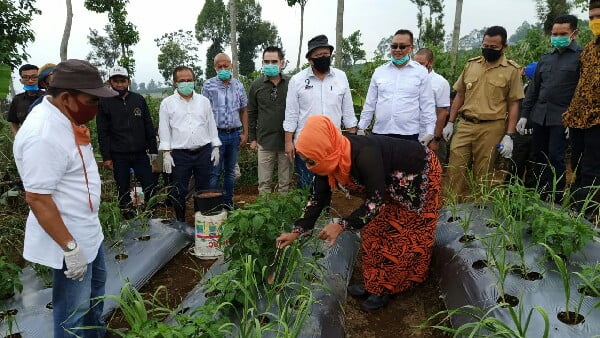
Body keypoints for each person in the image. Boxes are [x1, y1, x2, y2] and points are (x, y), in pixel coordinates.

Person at [276, 116, 442, 311]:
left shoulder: (364, 155)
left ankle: (388, 288)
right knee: (372, 231)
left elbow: (375, 202)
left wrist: (341, 225)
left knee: (402, 235)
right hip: (385, 184)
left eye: (310, 161)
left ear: (323, 149)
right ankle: (374, 284)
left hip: (418, 176)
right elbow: (318, 198)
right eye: (305, 161)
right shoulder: (326, 159)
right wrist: (297, 230)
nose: (308, 166)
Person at [13, 59, 117, 337]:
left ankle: (96, 334)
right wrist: (70, 249)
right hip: (69, 237)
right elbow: (37, 198)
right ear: (67, 98)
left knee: (95, 295)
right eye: (91, 100)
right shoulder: (42, 133)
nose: (96, 107)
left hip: (87, 228)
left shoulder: (66, 119)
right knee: (73, 310)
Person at [443, 26, 524, 201]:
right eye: (485, 45)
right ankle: (452, 209)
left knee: (485, 172)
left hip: (492, 128)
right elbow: (460, 95)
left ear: (504, 46)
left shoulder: (512, 71)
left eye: (493, 47)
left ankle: (480, 214)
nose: (488, 49)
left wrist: (509, 135)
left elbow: (514, 103)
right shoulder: (472, 65)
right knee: (455, 168)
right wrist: (450, 122)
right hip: (465, 125)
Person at [518, 15, 582, 201]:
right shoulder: (546, 59)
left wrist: (573, 118)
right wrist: (524, 115)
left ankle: (556, 197)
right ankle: (538, 195)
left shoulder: (581, 57)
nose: (557, 37)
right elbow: (533, 90)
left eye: (563, 33)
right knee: (537, 156)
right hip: (539, 117)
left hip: (561, 118)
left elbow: (581, 91)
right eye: (554, 34)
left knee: (556, 157)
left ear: (574, 33)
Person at [284, 35, 357, 189]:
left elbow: (348, 110)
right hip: (306, 145)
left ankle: (325, 213)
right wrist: (288, 142)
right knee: (306, 186)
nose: (323, 58)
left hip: (332, 144)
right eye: (318, 56)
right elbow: (291, 114)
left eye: (326, 55)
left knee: (329, 185)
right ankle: (306, 212)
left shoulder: (341, 77)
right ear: (310, 59)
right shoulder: (297, 80)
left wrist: (352, 137)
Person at [160, 66, 221, 222]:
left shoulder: (203, 101)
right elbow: (164, 128)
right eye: (182, 81)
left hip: (203, 151)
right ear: (175, 83)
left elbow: (211, 124)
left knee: (203, 189)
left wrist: (215, 146)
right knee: (179, 190)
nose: (186, 83)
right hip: (180, 154)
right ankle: (180, 223)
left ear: (194, 81)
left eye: (189, 80)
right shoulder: (167, 103)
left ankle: (200, 220)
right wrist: (166, 152)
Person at [97, 66, 158, 217]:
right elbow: (102, 132)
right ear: (110, 82)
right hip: (119, 155)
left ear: (128, 81)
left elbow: (148, 126)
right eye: (115, 81)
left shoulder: (138, 99)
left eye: (122, 81)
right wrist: (107, 157)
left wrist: (153, 151)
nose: (119, 85)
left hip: (140, 154)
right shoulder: (104, 102)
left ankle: (150, 214)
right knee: (122, 188)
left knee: (149, 185)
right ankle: (128, 218)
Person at [358, 30, 436, 146]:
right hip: (380, 133)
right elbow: (370, 103)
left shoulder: (421, 72)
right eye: (394, 46)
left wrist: (429, 131)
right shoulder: (379, 72)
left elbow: (427, 105)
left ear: (411, 48)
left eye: (402, 46)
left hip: (409, 135)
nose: (397, 50)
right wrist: (362, 127)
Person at [563, 0, 600, 215]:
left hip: (597, 120)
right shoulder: (588, 49)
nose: (595, 21)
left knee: (593, 167)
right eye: (592, 17)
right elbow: (582, 84)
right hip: (579, 118)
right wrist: (570, 113)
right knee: (577, 163)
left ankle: (587, 213)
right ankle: (576, 206)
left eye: (598, 16)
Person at [202, 53, 248, 209]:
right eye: (219, 66)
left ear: (231, 66)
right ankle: (213, 205)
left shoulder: (238, 85)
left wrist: (245, 133)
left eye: (225, 66)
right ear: (214, 67)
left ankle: (228, 203)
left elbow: (243, 110)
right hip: (216, 135)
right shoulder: (208, 85)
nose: (222, 69)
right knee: (214, 172)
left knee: (230, 172)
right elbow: (204, 112)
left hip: (234, 134)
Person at [248, 46, 292, 194]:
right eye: (266, 62)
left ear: (282, 63)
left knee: (285, 183)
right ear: (262, 63)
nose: (270, 65)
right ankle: (265, 213)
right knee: (264, 183)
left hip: (286, 142)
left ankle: (282, 214)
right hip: (264, 141)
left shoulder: (291, 84)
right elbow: (252, 113)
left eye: (274, 61)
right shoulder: (256, 85)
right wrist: (252, 139)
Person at [414, 47, 451, 163]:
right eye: (415, 64)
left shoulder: (440, 83)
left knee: (432, 171)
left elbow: (442, 113)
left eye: (421, 64)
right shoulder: (411, 80)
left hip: (431, 135)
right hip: (413, 134)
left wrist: (436, 139)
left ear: (430, 63)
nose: (418, 67)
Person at [505, 62, 537, 186]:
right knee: (519, 164)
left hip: (528, 133)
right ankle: (513, 192)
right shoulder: (525, 88)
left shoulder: (528, 88)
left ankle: (517, 191)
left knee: (525, 165)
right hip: (523, 134)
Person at [7, 64, 44, 135]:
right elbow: (14, 123)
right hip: (26, 141)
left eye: (34, 77)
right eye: (26, 77)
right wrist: (18, 138)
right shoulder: (17, 100)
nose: (30, 81)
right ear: (21, 80)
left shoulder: (47, 97)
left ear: (38, 78)